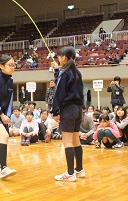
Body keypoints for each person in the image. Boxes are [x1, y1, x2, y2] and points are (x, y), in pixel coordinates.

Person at [51, 46, 84, 182]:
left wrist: (54, 111)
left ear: (64, 57)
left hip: (68, 109)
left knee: (67, 142)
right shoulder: (77, 72)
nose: (58, 58)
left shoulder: (64, 73)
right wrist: (56, 70)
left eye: (59, 56)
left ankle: (70, 173)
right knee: (76, 140)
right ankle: (79, 169)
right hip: (77, 109)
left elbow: (59, 92)